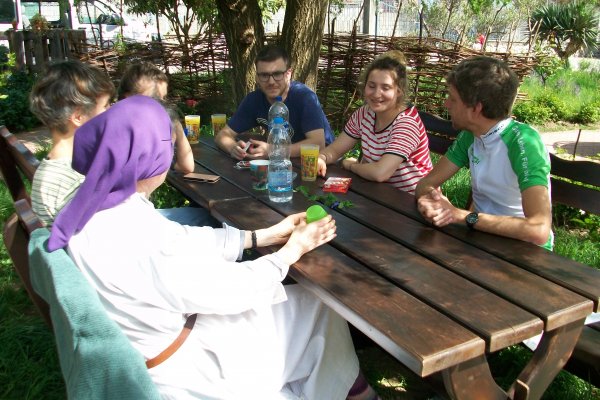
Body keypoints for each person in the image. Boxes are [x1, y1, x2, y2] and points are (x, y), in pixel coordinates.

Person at [48, 95, 380, 400]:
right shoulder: (137, 234)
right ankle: (345, 390)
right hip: (190, 371)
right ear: (151, 158)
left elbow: (178, 240)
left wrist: (258, 236)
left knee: (310, 305)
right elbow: (229, 289)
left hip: (166, 336)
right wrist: (291, 252)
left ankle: (340, 387)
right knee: (315, 306)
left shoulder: (99, 208)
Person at [415, 56, 553, 250]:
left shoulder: (523, 143)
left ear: (475, 108)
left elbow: (538, 230)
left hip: (526, 253)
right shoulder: (470, 136)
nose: (446, 105)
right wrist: (432, 202)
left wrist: (460, 215)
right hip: (482, 241)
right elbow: (425, 184)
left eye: (453, 99)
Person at [317, 51, 433, 194]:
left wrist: (352, 165)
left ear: (399, 91)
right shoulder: (363, 114)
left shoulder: (407, 124)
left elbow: (380, 173)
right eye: (371, 86)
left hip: (413, 202)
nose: (377, 94)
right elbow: (335, 150)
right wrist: (321, 158)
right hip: (378, 195)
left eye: (385, 88)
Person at [29, 59, 115, 226]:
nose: (111, 111)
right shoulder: (77, 182)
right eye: (106, 106)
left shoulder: (59, 169)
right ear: (78, 117)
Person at [215, 45, 335, 160]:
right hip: (282, 164)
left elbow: (318, 144)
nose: (271, 81)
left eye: (277, 74)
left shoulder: (305, 97)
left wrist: (273, 151)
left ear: (288, 74)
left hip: (321, 163)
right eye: (264, 75)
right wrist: (232, 148)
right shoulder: (254, 100)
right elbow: (223, 135)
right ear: (257, 77)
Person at [118, 61, 194, 174]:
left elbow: (186, 167)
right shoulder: (117, 131)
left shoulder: (155, 128)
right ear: (127, 97)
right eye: (154, 98)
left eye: (163, 99)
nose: (161, 105)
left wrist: (176, 124)